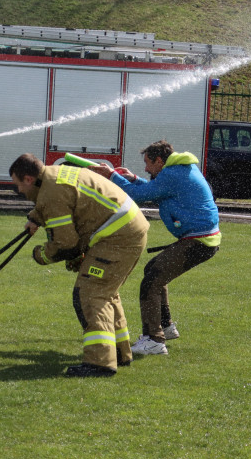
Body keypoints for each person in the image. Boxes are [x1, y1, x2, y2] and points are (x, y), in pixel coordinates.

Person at [9, 153, 149, 377]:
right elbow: (68, 200)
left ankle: (100, 363)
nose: (20, 191)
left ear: (28, 179)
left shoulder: (50, 193)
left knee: (90, 293)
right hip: (126, 230)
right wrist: (36, 218)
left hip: (117, 238)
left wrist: (41, 255)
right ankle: (120, 353)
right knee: (105, 292)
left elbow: (65, 243)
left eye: (18, 185)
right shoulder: (54, 176)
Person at [89, 140, 221, 356]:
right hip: (202, 239)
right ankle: (166, 327)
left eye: (148, 164)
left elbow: (139, 195)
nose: (146, 169)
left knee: (151, 280)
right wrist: (132, 179)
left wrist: (112, 176)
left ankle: (154, 340)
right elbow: (154, 189)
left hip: (199, 241)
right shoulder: (178, 170)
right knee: (155, 272)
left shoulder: (173, 174)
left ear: (159, 161)